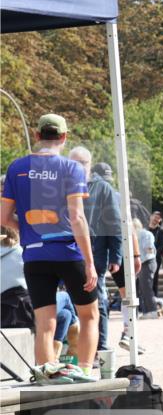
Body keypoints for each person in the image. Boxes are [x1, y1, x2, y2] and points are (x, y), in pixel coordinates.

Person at [1, 114, 99, 367]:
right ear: (64, 137)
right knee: (89, 315)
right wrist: (89, 262)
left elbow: (3, 217)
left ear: (37, 136)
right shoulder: (72, 168)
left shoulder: (17, 168)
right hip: (68, 252)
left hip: (34, 255)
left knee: (45, 323)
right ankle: (86, 371)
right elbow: (77, 218)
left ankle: (45, 375)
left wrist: (27, 231)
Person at [68, 147, 121, 353]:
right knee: (71, 301)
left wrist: (115, 256)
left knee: (96, 299)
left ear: (89, 164)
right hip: (68, 252)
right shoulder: (63, 185)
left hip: (95, 253)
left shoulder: (102, 188)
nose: (78, 167)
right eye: (74, 163)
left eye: (82, 163)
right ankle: (74, 348)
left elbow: (114, 224)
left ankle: (101, 346)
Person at [149, 211, 163, 295]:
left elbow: (162, 245)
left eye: (158, 218)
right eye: (155, 217)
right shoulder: (145, 229)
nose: (156, 219)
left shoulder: (161, 232)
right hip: (145, 258)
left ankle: (154, 297)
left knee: (154, 278)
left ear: (160, 220)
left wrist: (154, 253)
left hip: (155, 259)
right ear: (151, 217)